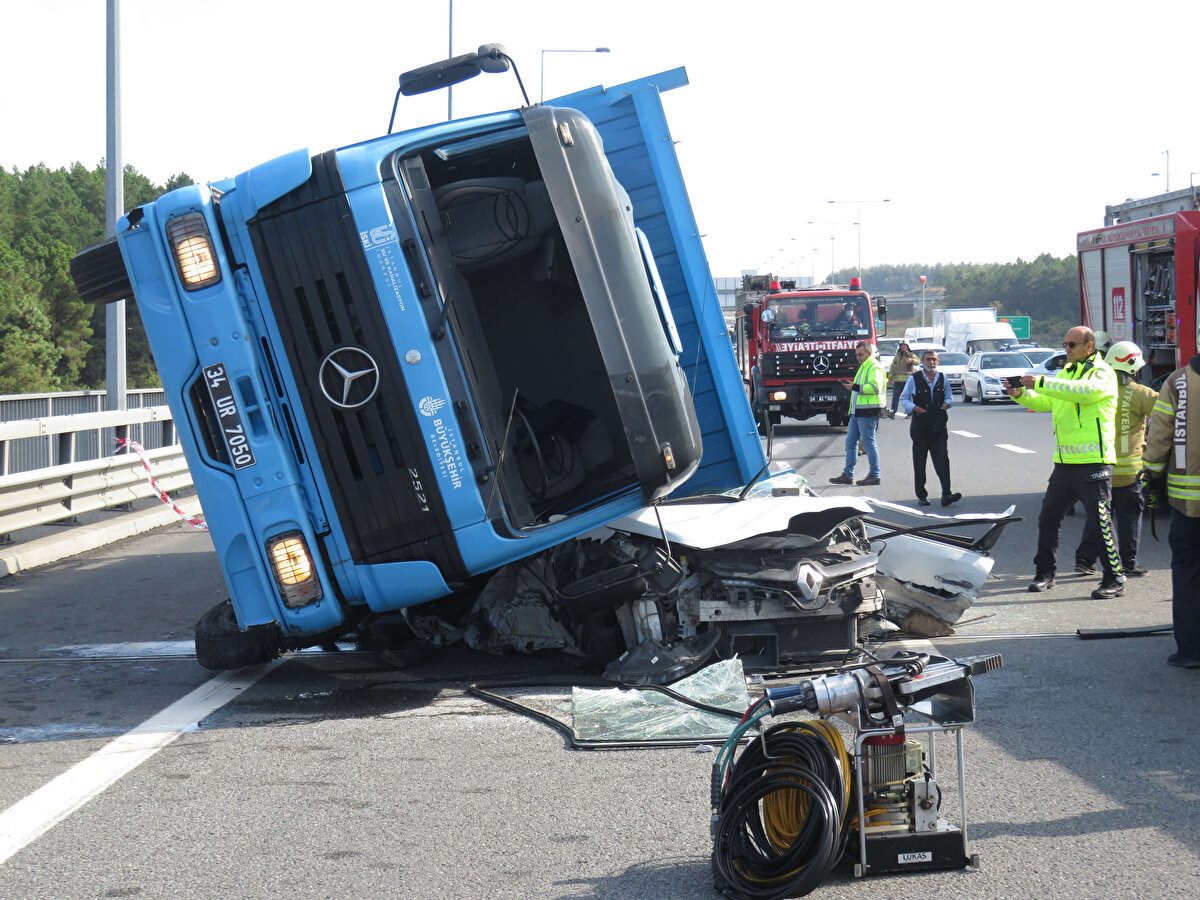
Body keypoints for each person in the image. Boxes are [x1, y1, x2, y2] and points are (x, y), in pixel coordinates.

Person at [1006, 326, 1124, 599]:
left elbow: (1083, 392)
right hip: (1065, 462)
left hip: (1094, 462)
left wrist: (1040, 382)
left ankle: (1115, 577)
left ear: (1090, 347)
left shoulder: (1102, 373)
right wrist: (1021, 394)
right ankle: (1044, 573)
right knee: (1048, 518)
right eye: (1065, 343)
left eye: (1072, 344)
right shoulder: (1065, 373)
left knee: (1101, 522)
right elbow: (1048, 401)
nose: (1067, 349)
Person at [1073, 341, 1158, 577]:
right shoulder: (1141, 393)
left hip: (1098, 466)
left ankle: (1084, 559)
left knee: (1099, 515)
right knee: (1129, 516)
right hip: (1130, 471)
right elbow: (1167, 412)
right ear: (1133, 366)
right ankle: (1129, 563)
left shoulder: (1094, 389)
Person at [1142, 354, 1200, 668]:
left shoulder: (1178, 382)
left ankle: (1190, 651)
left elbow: (1160, 434)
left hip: (1187, 505)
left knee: (1188, 573)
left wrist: (1150, 475)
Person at [900, 348, 962, 507]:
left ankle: (946, 494)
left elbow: (949, 396)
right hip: (920, 426)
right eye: (928, 359)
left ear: (938, 361)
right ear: (922, 362)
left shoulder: (943, 378)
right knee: (920, 462)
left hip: (939, 426)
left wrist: (947, 403)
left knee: (943, 460)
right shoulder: (914, 379)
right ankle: (921, 495)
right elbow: (904, 398)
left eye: (934, 359)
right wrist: (915, 408)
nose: (931, 362)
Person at [830, 341, 885, 486]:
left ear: (869, 353)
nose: (858, 357)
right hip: (857, 411)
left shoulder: (874, 367)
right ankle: (847, 475)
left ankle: (875, 474)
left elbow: (875, 388)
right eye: (856, 355)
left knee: (868, 443)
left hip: (868, 411)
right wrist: (853, 386)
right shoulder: (864, 367)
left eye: (860, 354)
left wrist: (854, 386)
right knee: (850, 443)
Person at [888, 342, 918, 418]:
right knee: (895, 397)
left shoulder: (911, 355)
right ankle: (892, 412)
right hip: (897, 381)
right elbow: (892, 367)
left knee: (907, 398)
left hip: (907, 381)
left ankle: (910, 413)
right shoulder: (897, 356)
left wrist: (912, 360)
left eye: (905, 345)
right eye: (902, 345)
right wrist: (890, 378)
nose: (903, 347)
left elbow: (918, 362)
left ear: (907, 346)